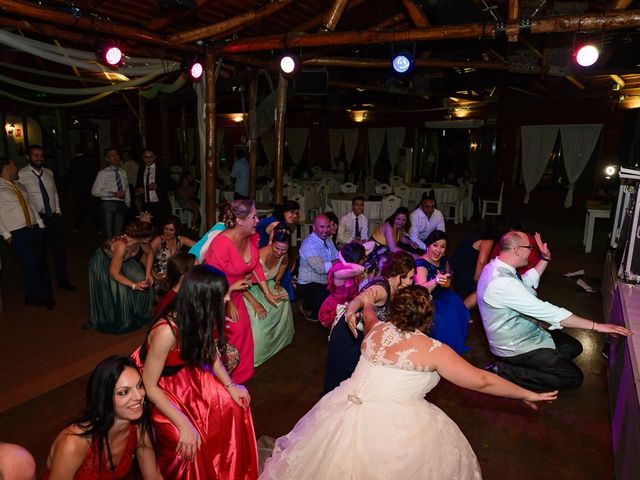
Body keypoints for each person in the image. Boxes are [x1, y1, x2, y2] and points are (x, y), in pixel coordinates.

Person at [261, 286, 557, 479]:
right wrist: (526, 393)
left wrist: (361, 302)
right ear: (428, 318)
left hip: (341, 409)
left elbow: (368, 309)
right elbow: (481, 381)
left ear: (394, 310)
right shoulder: (434, 351)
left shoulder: (376, 330)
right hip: (395, 427)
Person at [132, 266, 258, 479]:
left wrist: (231, 386)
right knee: (189, 443)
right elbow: (149, 386)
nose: (228, 298)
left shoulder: (198, 314)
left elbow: (210, 351)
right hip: (160, 386)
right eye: (223, 294)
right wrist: (184, 424)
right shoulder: (166, 332)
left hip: (186, 373)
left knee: (233, 405)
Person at [477, 231, 633, 391]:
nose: (531, 252)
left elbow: (524, 282)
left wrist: (545, 259)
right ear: (517, 250)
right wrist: (597, 326)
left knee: (574, 347)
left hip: (529, 334)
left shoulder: (497, 267)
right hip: (515, 346)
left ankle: (535, 367)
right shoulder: (502, 283)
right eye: (529, 247)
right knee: (572, 377)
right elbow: (550, 313)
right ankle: (504, 371)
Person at [43, 355, 162, 479]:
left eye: (139, 386)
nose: (138, 396)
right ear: (104, 398)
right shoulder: (73, 444)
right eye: (124, 392)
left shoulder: (138, 428)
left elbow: (154, 476)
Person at [205, 200, 284, 383]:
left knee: (244, 333)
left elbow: (254, 264)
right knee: (230, 335)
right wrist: (228, 302)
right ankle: (220, 380)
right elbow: (214, 278)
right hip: (218, 296)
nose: (258, 220)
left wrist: (266, 292)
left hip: (237, 294)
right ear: (240, 221)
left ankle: (239, 379)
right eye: (253, 217)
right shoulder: (221, 244)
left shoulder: (252, 237)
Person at [323, 251, 415, 394]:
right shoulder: (381, 289)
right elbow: (358, 300)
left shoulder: (395, 288)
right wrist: (349, 314)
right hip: (348, 335)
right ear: (394, 273)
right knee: (342, 383)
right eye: (405, 277)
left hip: (360, 336)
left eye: (411, 278)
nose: (409, 282)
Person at [19, 145, 75, 290]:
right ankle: (45, 285)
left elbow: (54, 191)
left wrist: (58, 210)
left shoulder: (49, 172)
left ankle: (63, 282)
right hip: (36, 219)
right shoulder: (21, 175)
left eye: (41, 155)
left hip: (53, 216)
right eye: (36, 155)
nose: (40, 158)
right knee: (40, 254)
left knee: (59, 250)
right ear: (27, 157)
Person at [0, 157, 53, 308]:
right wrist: (6, 235)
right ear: (6, 169)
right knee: (30, 264)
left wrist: (40, 224)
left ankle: (30, 296)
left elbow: (29, 205)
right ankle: (43, 296)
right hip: (16, 233)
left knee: (35, 263)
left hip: (33, 229)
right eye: (13, 165)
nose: (16, 168)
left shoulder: (19, 186)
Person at [86, 219, 155, 334]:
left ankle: (140, 312)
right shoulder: (121, 245)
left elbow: (150, 253)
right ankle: (121, 320)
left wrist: (148, 273)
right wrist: (134, 285)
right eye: (149, 238)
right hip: (105, 263)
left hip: (124, 261)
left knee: (142, 279)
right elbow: (113, 273)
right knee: (121, 289)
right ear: (141, 237)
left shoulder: (142, 242)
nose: (151, 240)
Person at [243, 229, 295, 366]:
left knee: (283, 297)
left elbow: (284, 264)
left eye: (284, 249)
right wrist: (255, 304)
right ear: (271, 242)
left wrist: (277, 281)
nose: (279, 252)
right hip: (249, 291)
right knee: (258, 318)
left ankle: (280, 342)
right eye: (277, 248)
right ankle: (258, 353)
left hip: (268, 286)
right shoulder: (258, 257)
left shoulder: (283, 256)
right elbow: (240, 283)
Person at [414, 230, 470, 355]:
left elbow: (448, 278)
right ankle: (440, 353)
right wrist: (435, 281)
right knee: (443, 318)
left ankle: (453, 349)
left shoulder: (444, 260)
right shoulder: (421, 264)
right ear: (428, 245)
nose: (438, 250)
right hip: (427, 300)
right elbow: (420, 290)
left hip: (444, 295)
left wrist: (447, 279)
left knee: (460, 312)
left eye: (442, 247)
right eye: (435, 245)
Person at [450, 217, 507, 310]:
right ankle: (460, 311)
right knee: (482, 290)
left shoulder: (478, 233)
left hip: (454, 267)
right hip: (461, 273)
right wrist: (478, 281)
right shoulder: (488, 240)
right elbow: (482, 261)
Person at [297, 214, 339, 321]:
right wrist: (340, 259)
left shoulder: (328, 240)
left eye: (327, 226)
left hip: (324, 280)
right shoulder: (309, 243)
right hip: (309, 284)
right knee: (328, 304)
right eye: (322, 226)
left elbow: (336, 256)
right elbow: (321, 269)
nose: (325, 230)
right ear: (314, 227)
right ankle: (307, 305)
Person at [318, 242, 366, 328]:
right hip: (334, 309)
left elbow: (372, 244)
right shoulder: (339, 272)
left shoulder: (349, 270)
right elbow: (362, 269)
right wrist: (346, 263)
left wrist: (345, 261)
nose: (365, 259)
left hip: (347, 305)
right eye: (363, 257)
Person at [91, 147, 130, 238]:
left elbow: (126, 188)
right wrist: (113, 194)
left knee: (119, 235)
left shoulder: (123, 172)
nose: (115, 157)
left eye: (116, 155)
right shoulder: (103, 173)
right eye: (112, 155)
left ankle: (117, 251)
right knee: (109, 235)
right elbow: (94, 191)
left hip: (121, 204)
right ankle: (108, 251)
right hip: (108, 204)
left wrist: (128, 203)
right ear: (107, 159)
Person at [136, 149, 174, 226]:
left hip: (160, 204)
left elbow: (172, 185)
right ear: (143, 158)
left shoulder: (161, 170)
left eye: (151, 157)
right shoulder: (141, 170)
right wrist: (138, 190)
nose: (148, 159)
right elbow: (137, 185)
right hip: (146, 205)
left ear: (154, 157)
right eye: (146, 157)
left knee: (161, 228)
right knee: (147, 229)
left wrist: (158, 186)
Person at [150, 216, 195, 282]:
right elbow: (143, 259)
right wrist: (154, 275)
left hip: (176, 276)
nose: (167, 232)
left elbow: (199, 246)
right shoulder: (158, 240)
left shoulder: (180, 239)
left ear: (177, 231)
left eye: (171, 230)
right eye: (166, 229)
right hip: (161, 279)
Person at [153, 252, 196, 319]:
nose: (202, 273)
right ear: (183, 274)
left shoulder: (184, 292)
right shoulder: (171, 302)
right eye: (197, 269)